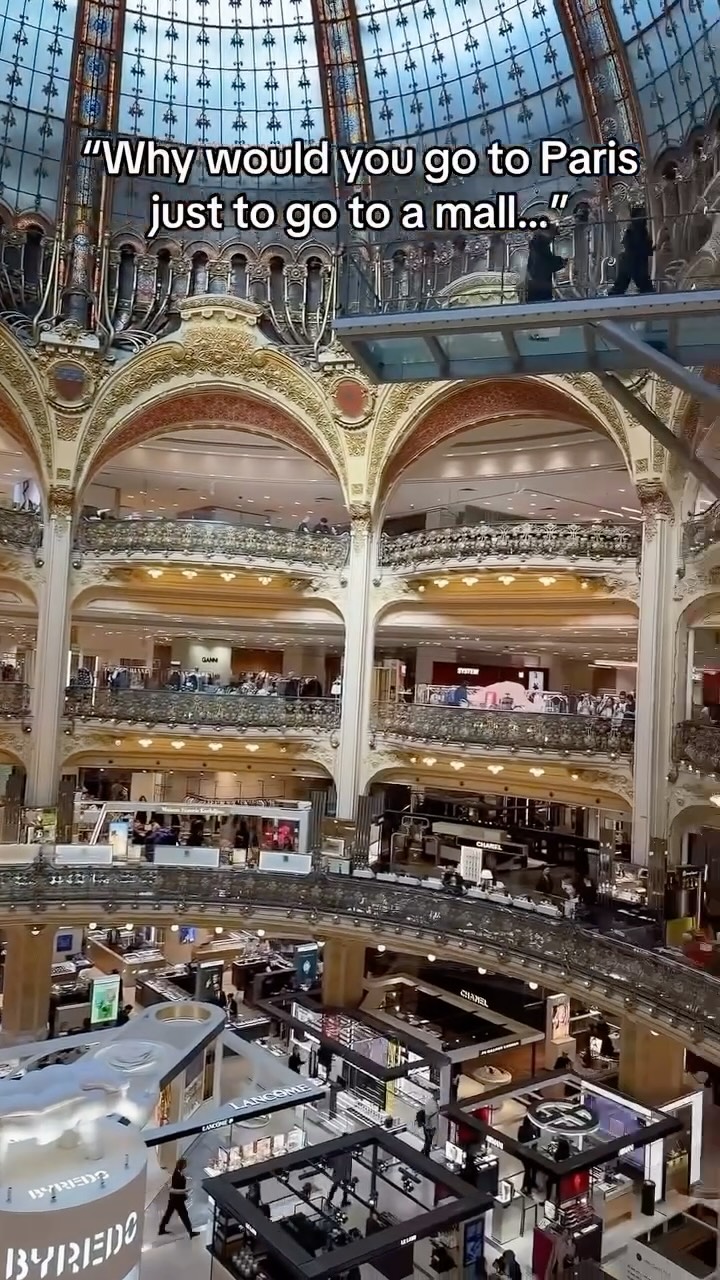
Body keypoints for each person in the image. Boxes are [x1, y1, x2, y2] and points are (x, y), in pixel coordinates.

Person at [609, 205, 654, 295]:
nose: (644, 218)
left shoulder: (638, 231)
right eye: (642, 215)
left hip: (634, 262)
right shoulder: (635, 231)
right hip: (633, 262)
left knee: (640, 283)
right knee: (640, 282)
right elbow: (638, 246)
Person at [158, 1158, 199, 1238]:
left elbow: (180, 1179)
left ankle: (161, 1229)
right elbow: (173, 1190)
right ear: (182, 1165)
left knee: (168, 1214)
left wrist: (186, 1178)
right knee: (184, 1215)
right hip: (176, 1200)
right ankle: (190, 1232)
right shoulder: (175, 1175)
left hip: (176, 1199)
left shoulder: (179, 1172)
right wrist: (185, 1190)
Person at [525, 227, 566, 303]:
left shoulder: (536, 245)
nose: (552, 239)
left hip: (536, 283)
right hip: (541, 284)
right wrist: (563, 262)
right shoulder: (540, 245)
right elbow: (547, 263)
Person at [517, 1114, 540, 1194]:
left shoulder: (523, 1129)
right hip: (528, 1153)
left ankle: (529, 1185)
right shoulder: (529, 1129)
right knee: (529, 1170)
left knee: (530, 1169)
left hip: (527, 1153)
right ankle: (526, 1186)